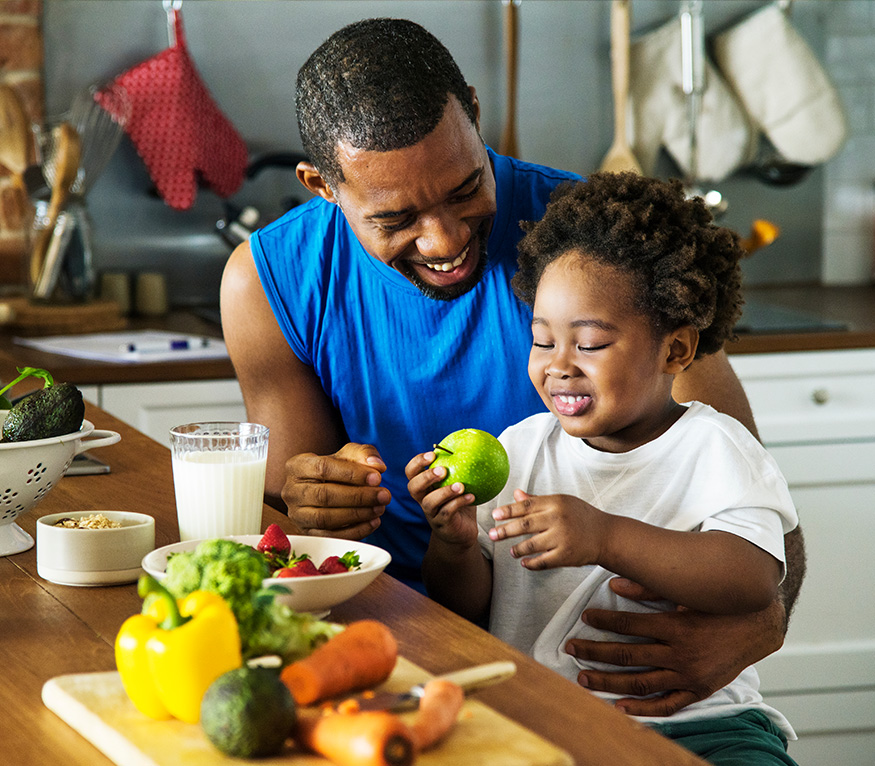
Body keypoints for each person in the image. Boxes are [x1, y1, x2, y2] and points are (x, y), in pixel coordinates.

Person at [220, 17, 806, 717]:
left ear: (472, 110)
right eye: (395, 218)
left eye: (465, 188)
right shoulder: (268, 282)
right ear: (323, 185)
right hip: (379, 645)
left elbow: (754, 500)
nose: (444, 239)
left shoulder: (590, 248)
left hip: (609, 676)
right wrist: (313, 499)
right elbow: (292, 531)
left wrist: (758, 628)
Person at [407, 171, 799, 764]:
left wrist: (605, 536)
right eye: (543, 341)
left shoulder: (715, 447)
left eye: (588, 344)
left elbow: (752, 579)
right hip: (544, 721)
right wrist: (455, 545)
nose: (559, 366)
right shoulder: (520, 449)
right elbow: (469, 608)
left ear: (675, 350)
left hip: (702, 725)